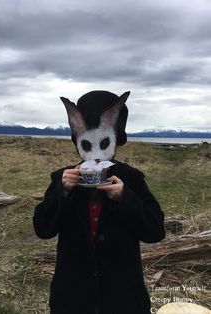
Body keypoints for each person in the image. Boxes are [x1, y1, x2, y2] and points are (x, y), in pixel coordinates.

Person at [33, 90, 165, 314]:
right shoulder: (62, 179)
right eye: (87, 145)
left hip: (122, 297)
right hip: (73, 297)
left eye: (104, 143)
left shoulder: (132, 179)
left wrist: (125, 198)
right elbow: (43, 228)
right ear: (77, 139)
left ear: (115, 137)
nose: (95, 154)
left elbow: (155, 231)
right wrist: (61, 192)